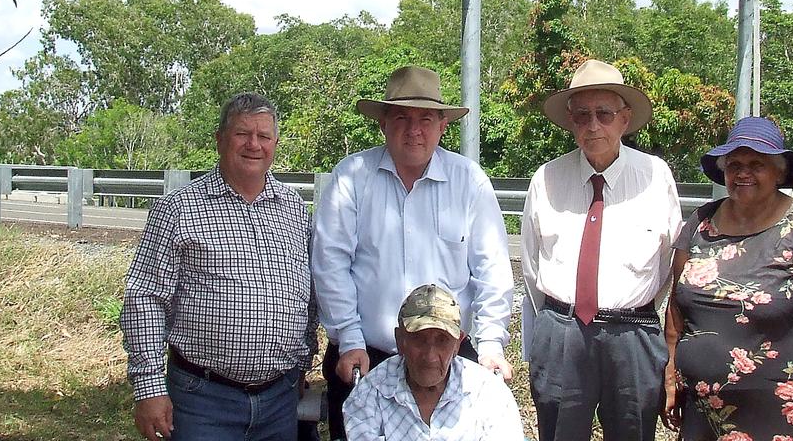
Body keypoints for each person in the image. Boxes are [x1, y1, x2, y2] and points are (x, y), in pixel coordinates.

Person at [312, 65, 515, 440]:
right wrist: (350, 339)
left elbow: (493, 270)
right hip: (364, 358)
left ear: (442, 126)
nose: (414, 129)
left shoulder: (469, 181)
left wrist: (489, 344)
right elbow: (330, 264)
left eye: (425, 119)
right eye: (402, 117)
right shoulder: (351, 178)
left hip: (450, 360)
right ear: (383, 124)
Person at [121, 92, 316, 441]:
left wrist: (302, 363)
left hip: (279, 400)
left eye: (264, 136)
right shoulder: (178, 209)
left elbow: (310, 298)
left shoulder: (295, 211)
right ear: (220, 139)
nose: (253, 144)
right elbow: (144, 298)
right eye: (242, 133)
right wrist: (149, 388)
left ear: (275, 143)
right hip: (203, 399)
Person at [521, 59, 683, 441]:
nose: (593, 126)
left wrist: (631, 309)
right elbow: (530, 264)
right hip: (561, 330)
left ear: (625, 119)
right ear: (570, 121)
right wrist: (556, 325)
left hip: (633, 334)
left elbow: (669, 264)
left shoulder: (655, 176)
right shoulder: (546, 178)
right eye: (582, 116)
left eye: (604, 114)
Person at [663, 116, 793, 441]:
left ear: (779, 171)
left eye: (756, 164)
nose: (743, 172)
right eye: (734, 164)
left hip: (779, 410)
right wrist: (670, 377)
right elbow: (676, 310)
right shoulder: (700, 223)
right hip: (702, 409)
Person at [343, 284, 524, 440]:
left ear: (457, 344)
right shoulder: (369, 393)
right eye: (418, 339)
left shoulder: (488, 393)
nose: (429, 356)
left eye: (442, 340)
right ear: (400, 340)